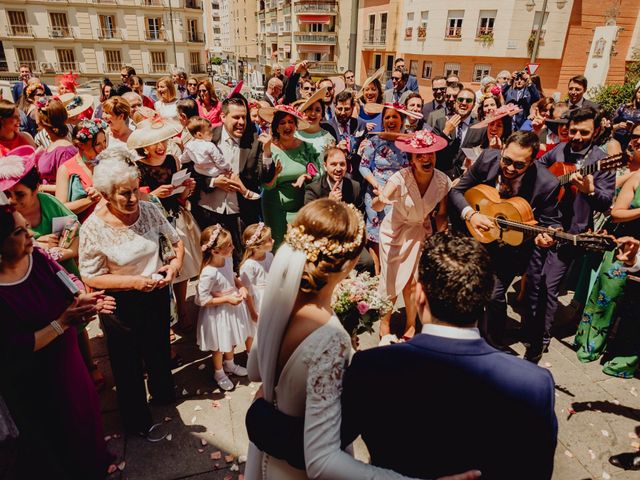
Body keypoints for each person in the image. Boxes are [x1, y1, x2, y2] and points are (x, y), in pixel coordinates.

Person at [339, 232, 557, 479]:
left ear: (419, 295)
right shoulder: (534, 385)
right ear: (485, 298)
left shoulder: (371, 368)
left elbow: (322, 453)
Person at [245, 198, 414, 479]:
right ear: (348, 264)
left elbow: (255, 371)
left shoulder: (280, 298)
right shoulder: (330, 338)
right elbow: (322, 462)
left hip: (266, 460)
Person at [0, 191, 116, 479]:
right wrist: (63, 322)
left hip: (68, 363)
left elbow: (68, 280)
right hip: (33, 381)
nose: (30, 235)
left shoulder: (37, 257)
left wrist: (85, 298)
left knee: (84, 416)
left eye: (26, 226)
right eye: (19, 231)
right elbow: (16, 347)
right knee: (54, 437)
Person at [79, 149, 184, 440]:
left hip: (156, 292)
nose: (133, 199)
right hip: (121, 302)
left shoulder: (149, 209)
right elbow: (90, 274)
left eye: (135, 190)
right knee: (127, 366)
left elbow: (176, 243)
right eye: (124, 194)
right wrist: (133, 282)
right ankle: (136, 420)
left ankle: (164, 394)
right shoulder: (93, 228)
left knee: (159, 349)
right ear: (105, 194)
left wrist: (173, 267)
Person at [449, 131, 561, 349]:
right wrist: (472, 214)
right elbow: (457, 192)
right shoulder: (487, 160)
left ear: (532, 162)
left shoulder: (547, 183)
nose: (510, 168)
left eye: (519, 165)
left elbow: (552, 223)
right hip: (476, 234)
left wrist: (547, 238)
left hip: (512, 247)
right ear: (502, 151)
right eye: (507, 160)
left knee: (494, 295)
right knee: (468, 287)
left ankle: (492, 344)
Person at [526, 107, 616, 362]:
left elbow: (605, 201)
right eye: (573, 130)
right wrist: (553, 182)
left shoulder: (601, 160)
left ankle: (540, 340)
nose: (576, 136)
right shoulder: (560, 149)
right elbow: (538, 168)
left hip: (571, 233)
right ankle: (532, 327)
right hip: (545, 223)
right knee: (533, 280)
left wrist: (589, 191)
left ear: (596, 131)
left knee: (548, 285)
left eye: (584, 132)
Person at [573, 127, 640, 377]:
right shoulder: (636, 178)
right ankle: (589, 343)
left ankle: (624, 359)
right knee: (606, 291)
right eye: (635, 136)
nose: (637, 141)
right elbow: (616, 212)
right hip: (624, 242)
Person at [373, 130, 451, 342]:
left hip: (420, 231)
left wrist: (442, 237)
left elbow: (442, 214)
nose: (427, 159)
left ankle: (411, 324)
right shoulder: (399, 178)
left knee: (414, 281)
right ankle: (385, 323)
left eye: (431, 155)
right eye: (420, 156)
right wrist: (380, 200)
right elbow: (377, 203)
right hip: (394, 232)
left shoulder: (443, 180)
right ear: (412, 160)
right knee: (390, 280)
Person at [128, 116, 201, 331]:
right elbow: (133, 197)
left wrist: (186, 188)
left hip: (175, 217)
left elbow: (180, 196)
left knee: (183, 265)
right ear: (145, 147)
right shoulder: (137, 168)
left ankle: (183, 308)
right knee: (161, 267)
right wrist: (152, 195)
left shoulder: (172, 160)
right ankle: (166, 319)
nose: (161, 147)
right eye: (155, 143)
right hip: (152, 222)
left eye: (164, 141)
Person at [196, 224, 254, 391]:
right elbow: (203, 300)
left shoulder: (227, 259)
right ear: (215, 251)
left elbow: (233, 276)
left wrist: (241, 286)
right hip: (218, 312)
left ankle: (230, 363)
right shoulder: (209, 272)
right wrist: (227, 298)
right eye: (228, 245)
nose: (233, 246)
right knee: (219, 345)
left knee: (230, 339)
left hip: (231, 307)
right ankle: (219, 371)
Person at [258, 104, 321, 248]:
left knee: (300, 249)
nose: (287, 126)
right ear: (276, 127)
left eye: (291, 122)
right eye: (282, 123)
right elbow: (265, 184)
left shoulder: (306, 147)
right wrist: (274, 176)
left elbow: (317, 171)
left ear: (296, 125)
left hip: (302, 206)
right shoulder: (269, 148)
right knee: (279, 249)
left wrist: (306, 176)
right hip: (275, 209)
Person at [181, 116, 260, 200]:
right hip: (212, 171)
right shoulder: (209, 145)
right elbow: (218, 159)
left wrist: (179, 159)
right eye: (209, 132)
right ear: (199, 134)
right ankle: (245, 192)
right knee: (233, 176)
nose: (212, 134)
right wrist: (227, 167)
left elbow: (184, 158)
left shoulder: (189, 145)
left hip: (199, 170)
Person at [55, 119, 108, 222]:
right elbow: (60, 208)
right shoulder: (66, 169)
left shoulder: (108, 161)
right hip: (86, 229)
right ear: (81, 145)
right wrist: (89, 200)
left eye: (104, 141)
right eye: (98, 144)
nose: (104, 148)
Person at [432, 87, 483, 178]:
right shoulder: (441, 122)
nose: (463, 103)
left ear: (474, 105)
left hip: (464, 180)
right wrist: (445, 132)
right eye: (460, 99)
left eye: (468, 100)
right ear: (455, 102)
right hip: (440, 178)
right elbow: (432, 152)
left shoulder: (480, 128)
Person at [239, 222, 275, 346]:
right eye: (269, 239)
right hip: (256, 301)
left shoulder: (269, 256)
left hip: (270, 297)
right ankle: (250, 355)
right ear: (257, 246)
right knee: (253, 329)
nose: (273, 240)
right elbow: (247, 291)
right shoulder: (248, 266)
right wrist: (252, 312)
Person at [33, 96, 78, 191]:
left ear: (43, 120)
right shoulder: (53, 144)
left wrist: (41, 187)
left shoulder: (64, 151)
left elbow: (70, 187)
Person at [295, 87, 336, 160]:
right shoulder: (293, 134)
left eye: (317, 110)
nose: (313, 113)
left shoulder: (328, 138)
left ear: (322, 115)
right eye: (309, 109)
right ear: (303, 112)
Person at [357, 67, 385, 132]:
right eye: (367, 90)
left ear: (379, 92)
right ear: (363, 94)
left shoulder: (385, 112)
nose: (369, 93)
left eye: (373, 89)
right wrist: (363, 126)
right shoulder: (357, 111)